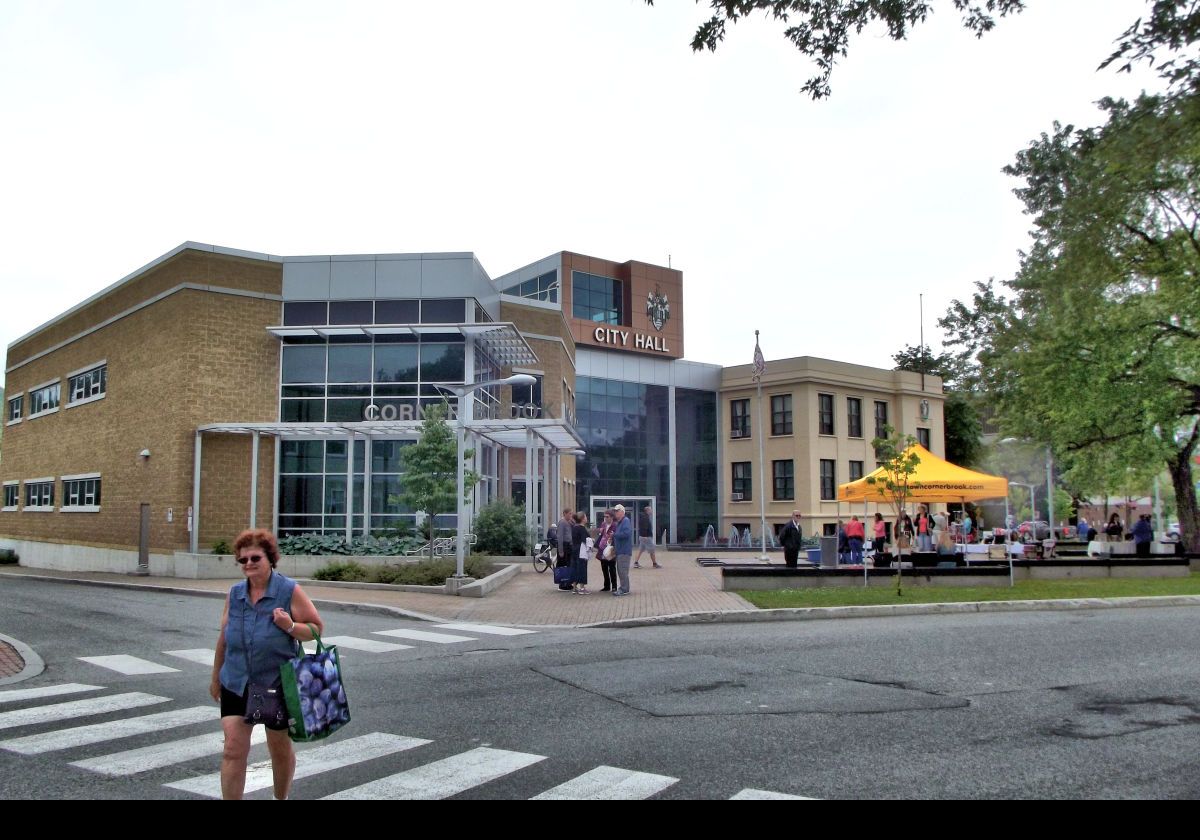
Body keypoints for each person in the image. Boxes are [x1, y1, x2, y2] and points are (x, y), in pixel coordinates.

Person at [210, 528, 324, 801]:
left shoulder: (288, 590)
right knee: (233, 749)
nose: (248, 564)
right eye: (243, 560)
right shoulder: (235, 594)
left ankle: (280, 798)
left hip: (276, 683)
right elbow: (224, 637)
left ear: (270, 559)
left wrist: (290, 625)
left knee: (279, 749)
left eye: (255, 558)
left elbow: (316, 629)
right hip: (236, 681)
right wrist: (216, 676)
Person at [611, 503, 634, 596]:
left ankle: (624, 589)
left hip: (624, 551)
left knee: (623, 570)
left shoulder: (625, 521)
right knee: (620, 570)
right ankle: (624, 588)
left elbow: (626, 534)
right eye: (615, 511)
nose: (615, 513)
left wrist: (615, 535)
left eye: (617, 511)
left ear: (622, 512)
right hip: (620, 551)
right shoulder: (619, 523)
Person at [594, 510, 617, 591]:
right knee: (604, 568)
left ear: (612, 517)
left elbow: (616, 536)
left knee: (612, 568)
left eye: (607, 517)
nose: (605, 518)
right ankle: (606, 586)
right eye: (604, 516)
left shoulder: (615, 525)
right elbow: (601, 534)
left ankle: (614, 586)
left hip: (611, 549)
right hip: (602, 548)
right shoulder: (603, 524)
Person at [571, 511, 593, 594]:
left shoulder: (574, 527)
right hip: (582, 551)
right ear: (582, 519)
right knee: (582, 568)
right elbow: (585, 540)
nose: (587, 518)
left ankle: (574, 587)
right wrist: (592, 541)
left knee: (575, 568)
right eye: (586, 516)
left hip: (574, 549)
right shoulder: (582, 528)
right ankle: (582, 588)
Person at [556, 507, 575, 591]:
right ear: (564, 513)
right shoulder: (562, 522)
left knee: (568, 565)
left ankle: (568, 583)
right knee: (562, 565)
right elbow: (560, 536)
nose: (571, 515)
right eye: (569, 514)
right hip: (564, 545)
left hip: (569, 546)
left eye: (571, 514)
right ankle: (562, 584)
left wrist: (572, 521)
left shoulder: (569, 522)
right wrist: (560, 550)